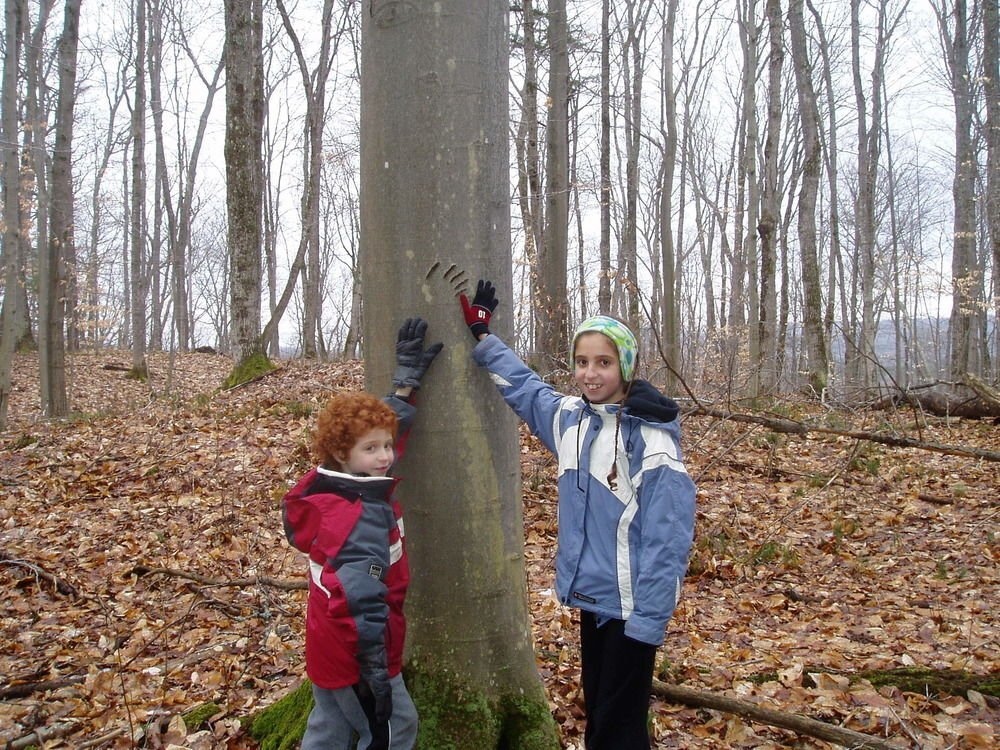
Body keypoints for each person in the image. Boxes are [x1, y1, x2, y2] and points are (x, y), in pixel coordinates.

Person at [459, 280, 696, 749]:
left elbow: (668, 541)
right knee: (601, 719)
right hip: (593, 598)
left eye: (604, 363)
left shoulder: (650, 442)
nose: (591, 374)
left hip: (632, 610)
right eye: (583, 362)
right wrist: (484, 338)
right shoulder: (572, 419)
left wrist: (649, 621)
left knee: (618, 729)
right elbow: (526, 389)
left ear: (625, 367)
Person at [282, 318, 443, 750]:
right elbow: (356, 595)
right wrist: (374, 668)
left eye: (386, 445)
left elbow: (381, 432)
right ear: (342, 453)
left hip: (328, 650)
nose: (386, 456)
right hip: (358, 653)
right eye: (371, 450)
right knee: (394, 727)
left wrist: (404, 385)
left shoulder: (333, 486)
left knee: (331, 728)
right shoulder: (357, 514)